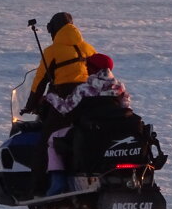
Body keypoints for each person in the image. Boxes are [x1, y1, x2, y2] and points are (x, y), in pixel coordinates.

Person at [41, 53, 132, 196]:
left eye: (87, 66)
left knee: (53, 138)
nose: (86, 68)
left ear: (93, 68)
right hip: (112, 132)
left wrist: (50, 97)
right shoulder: (120, 88)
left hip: (89, 132)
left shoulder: (84, 89)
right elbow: (126, 108)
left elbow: (65, 108)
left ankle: (58, 181)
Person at [21, 12, 96, 116]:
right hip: (89, 99)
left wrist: (30, 105)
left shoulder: (51, 52)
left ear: (54, 30)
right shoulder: (89, 48)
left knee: (50, 129)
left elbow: (40, 81)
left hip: (62, 101)